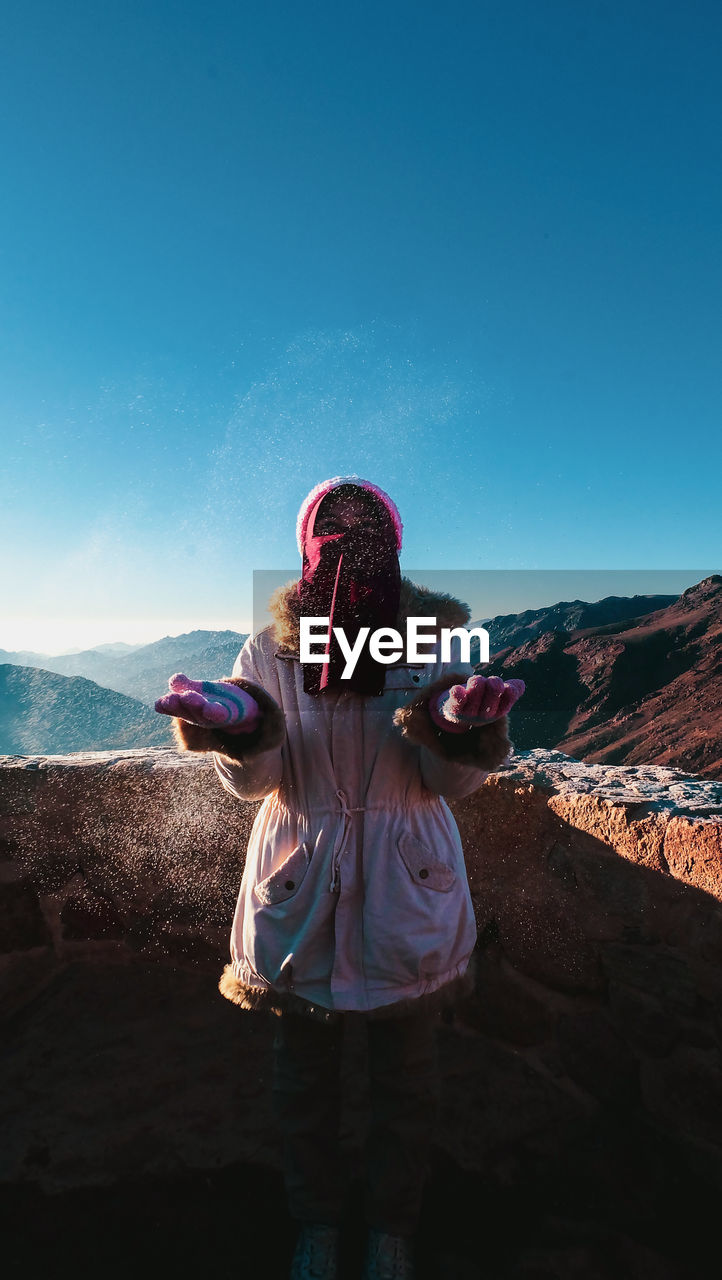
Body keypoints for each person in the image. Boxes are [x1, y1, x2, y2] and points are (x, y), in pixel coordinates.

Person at [155, 476, 525, 1280]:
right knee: (305, 1081)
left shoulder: (434, 645)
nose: (351, 548)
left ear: (393, 545)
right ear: (307, 546)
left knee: (407, 1081)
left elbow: (449, 785)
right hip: (303, 890)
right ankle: (318, 1223)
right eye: (335, 531)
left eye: (367, 532)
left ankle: (392, 1227)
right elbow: (260, 784)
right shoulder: (270, 650)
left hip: (405, 887)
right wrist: (240, 729)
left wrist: (458, 731)